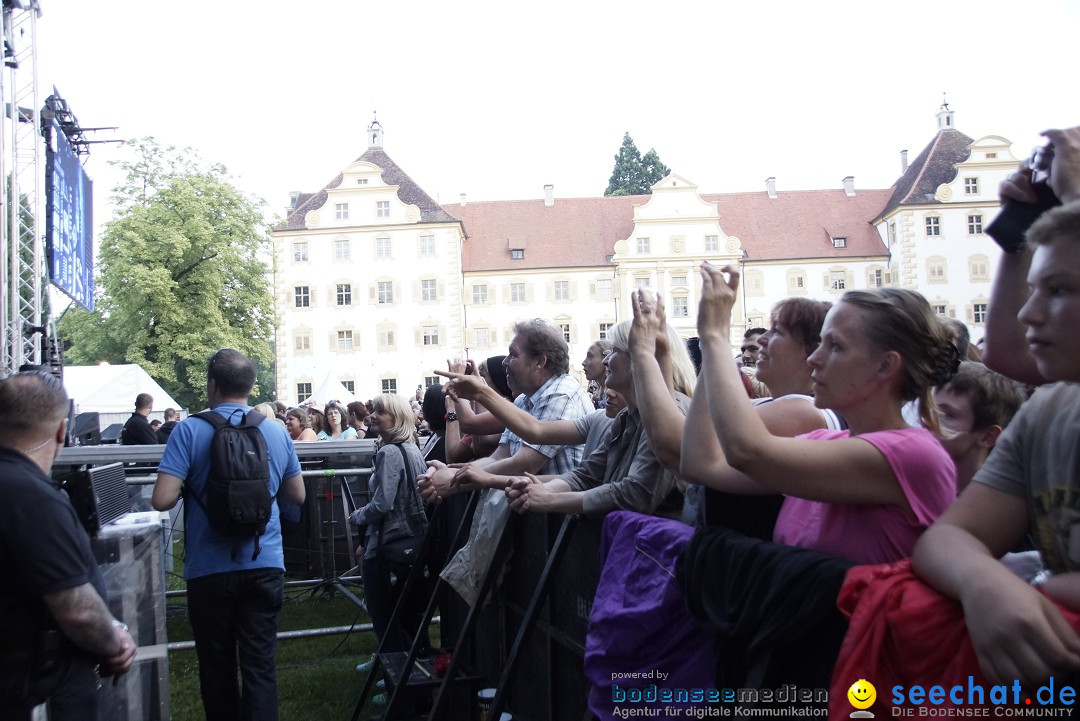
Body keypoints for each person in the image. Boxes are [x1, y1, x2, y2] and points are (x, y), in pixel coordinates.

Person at [912, 191, 1080, 688]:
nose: (1026, 315)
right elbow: (946, 538)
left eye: (1059, 290)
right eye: (1032, 290)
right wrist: (983, 580)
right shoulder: (1049, 411)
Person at [695, 262, 957, 564]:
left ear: (885, 365)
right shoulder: (822, 440)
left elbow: (746, 451)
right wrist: (705, 341)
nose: (815, 358)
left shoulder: (914, 454)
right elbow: (703, 463)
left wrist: (715, 337)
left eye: (835, 346)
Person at [152, 349, 305, 720]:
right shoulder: (274, 430)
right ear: (252, 386)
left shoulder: (189, 429)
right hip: (265, 562)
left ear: (212, 384)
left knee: (216, 667)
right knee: (260, 666)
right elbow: (297, 495)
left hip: (209, 567)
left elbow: (162, 499)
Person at [0, 371, 137, 720]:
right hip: (34, 685)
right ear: (63, 430)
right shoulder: (31, 497)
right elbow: (76, 609)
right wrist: (114, 639)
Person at [501, 318, 691, 518]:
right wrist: (543, 490)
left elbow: (636, 494)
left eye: (615, 351)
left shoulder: (671, 413)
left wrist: (549, 499)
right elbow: (588, 474)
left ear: (642, 358)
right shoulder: (627, 417)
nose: (606, 360)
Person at [419, 319, 593, 501]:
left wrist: (453, 479)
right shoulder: (524, 399)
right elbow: (499, 457)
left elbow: (524, 464)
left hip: (559, 519)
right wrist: (451, 472)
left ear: (539, 362)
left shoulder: (561, 394)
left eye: (513, 354)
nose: (505, 362)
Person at [349, 394, 430, 655]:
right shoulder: (413, 447)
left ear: (396, 419)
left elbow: (382, 504)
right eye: (374, 410)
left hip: (388, 548)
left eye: (380, 412)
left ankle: (398, 687)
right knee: (410, 622)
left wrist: (357, 515)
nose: (372, 416)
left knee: (387, 623)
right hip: (413, 546)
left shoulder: (389, 452)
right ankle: (418, 682)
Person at [933, 361, 1026, 492]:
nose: (927, 421)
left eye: (947, 414)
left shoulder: (997, 504)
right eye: (930, 410)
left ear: (988, 436)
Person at [582, 339, 613, 408]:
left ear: (605, 359)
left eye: (590, 356)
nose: (583, 363)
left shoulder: (614, 398)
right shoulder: (600, 397)